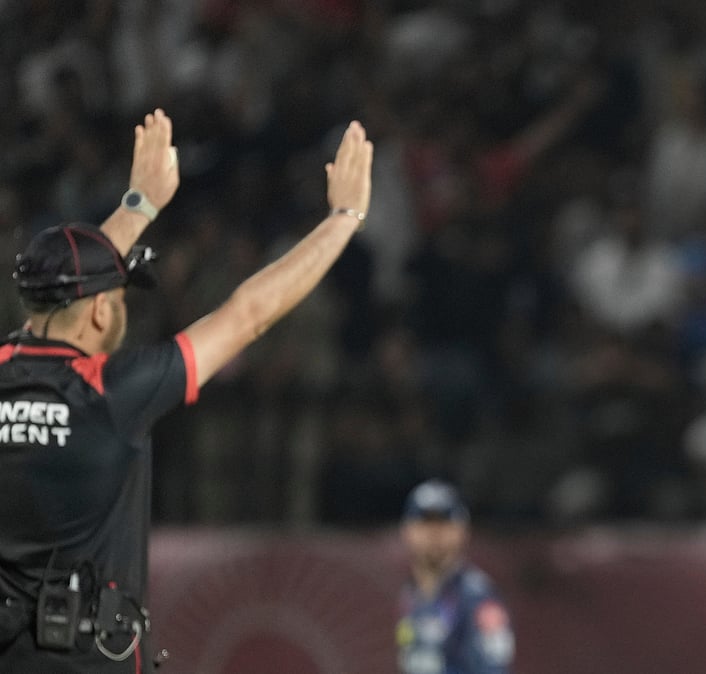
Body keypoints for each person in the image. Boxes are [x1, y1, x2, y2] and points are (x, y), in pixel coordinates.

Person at [0, 108, 373, 672]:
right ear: (102, 309)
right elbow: (248, 315)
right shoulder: (114, 394)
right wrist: (343, 218)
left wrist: (139, 205)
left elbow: (66, 294)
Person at [395, 479, 513, 674]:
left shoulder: (476, 597)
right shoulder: (411, 593)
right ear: (406, 530)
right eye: (425, 522)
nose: (434, 533)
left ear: (462, 530)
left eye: (444, 523)